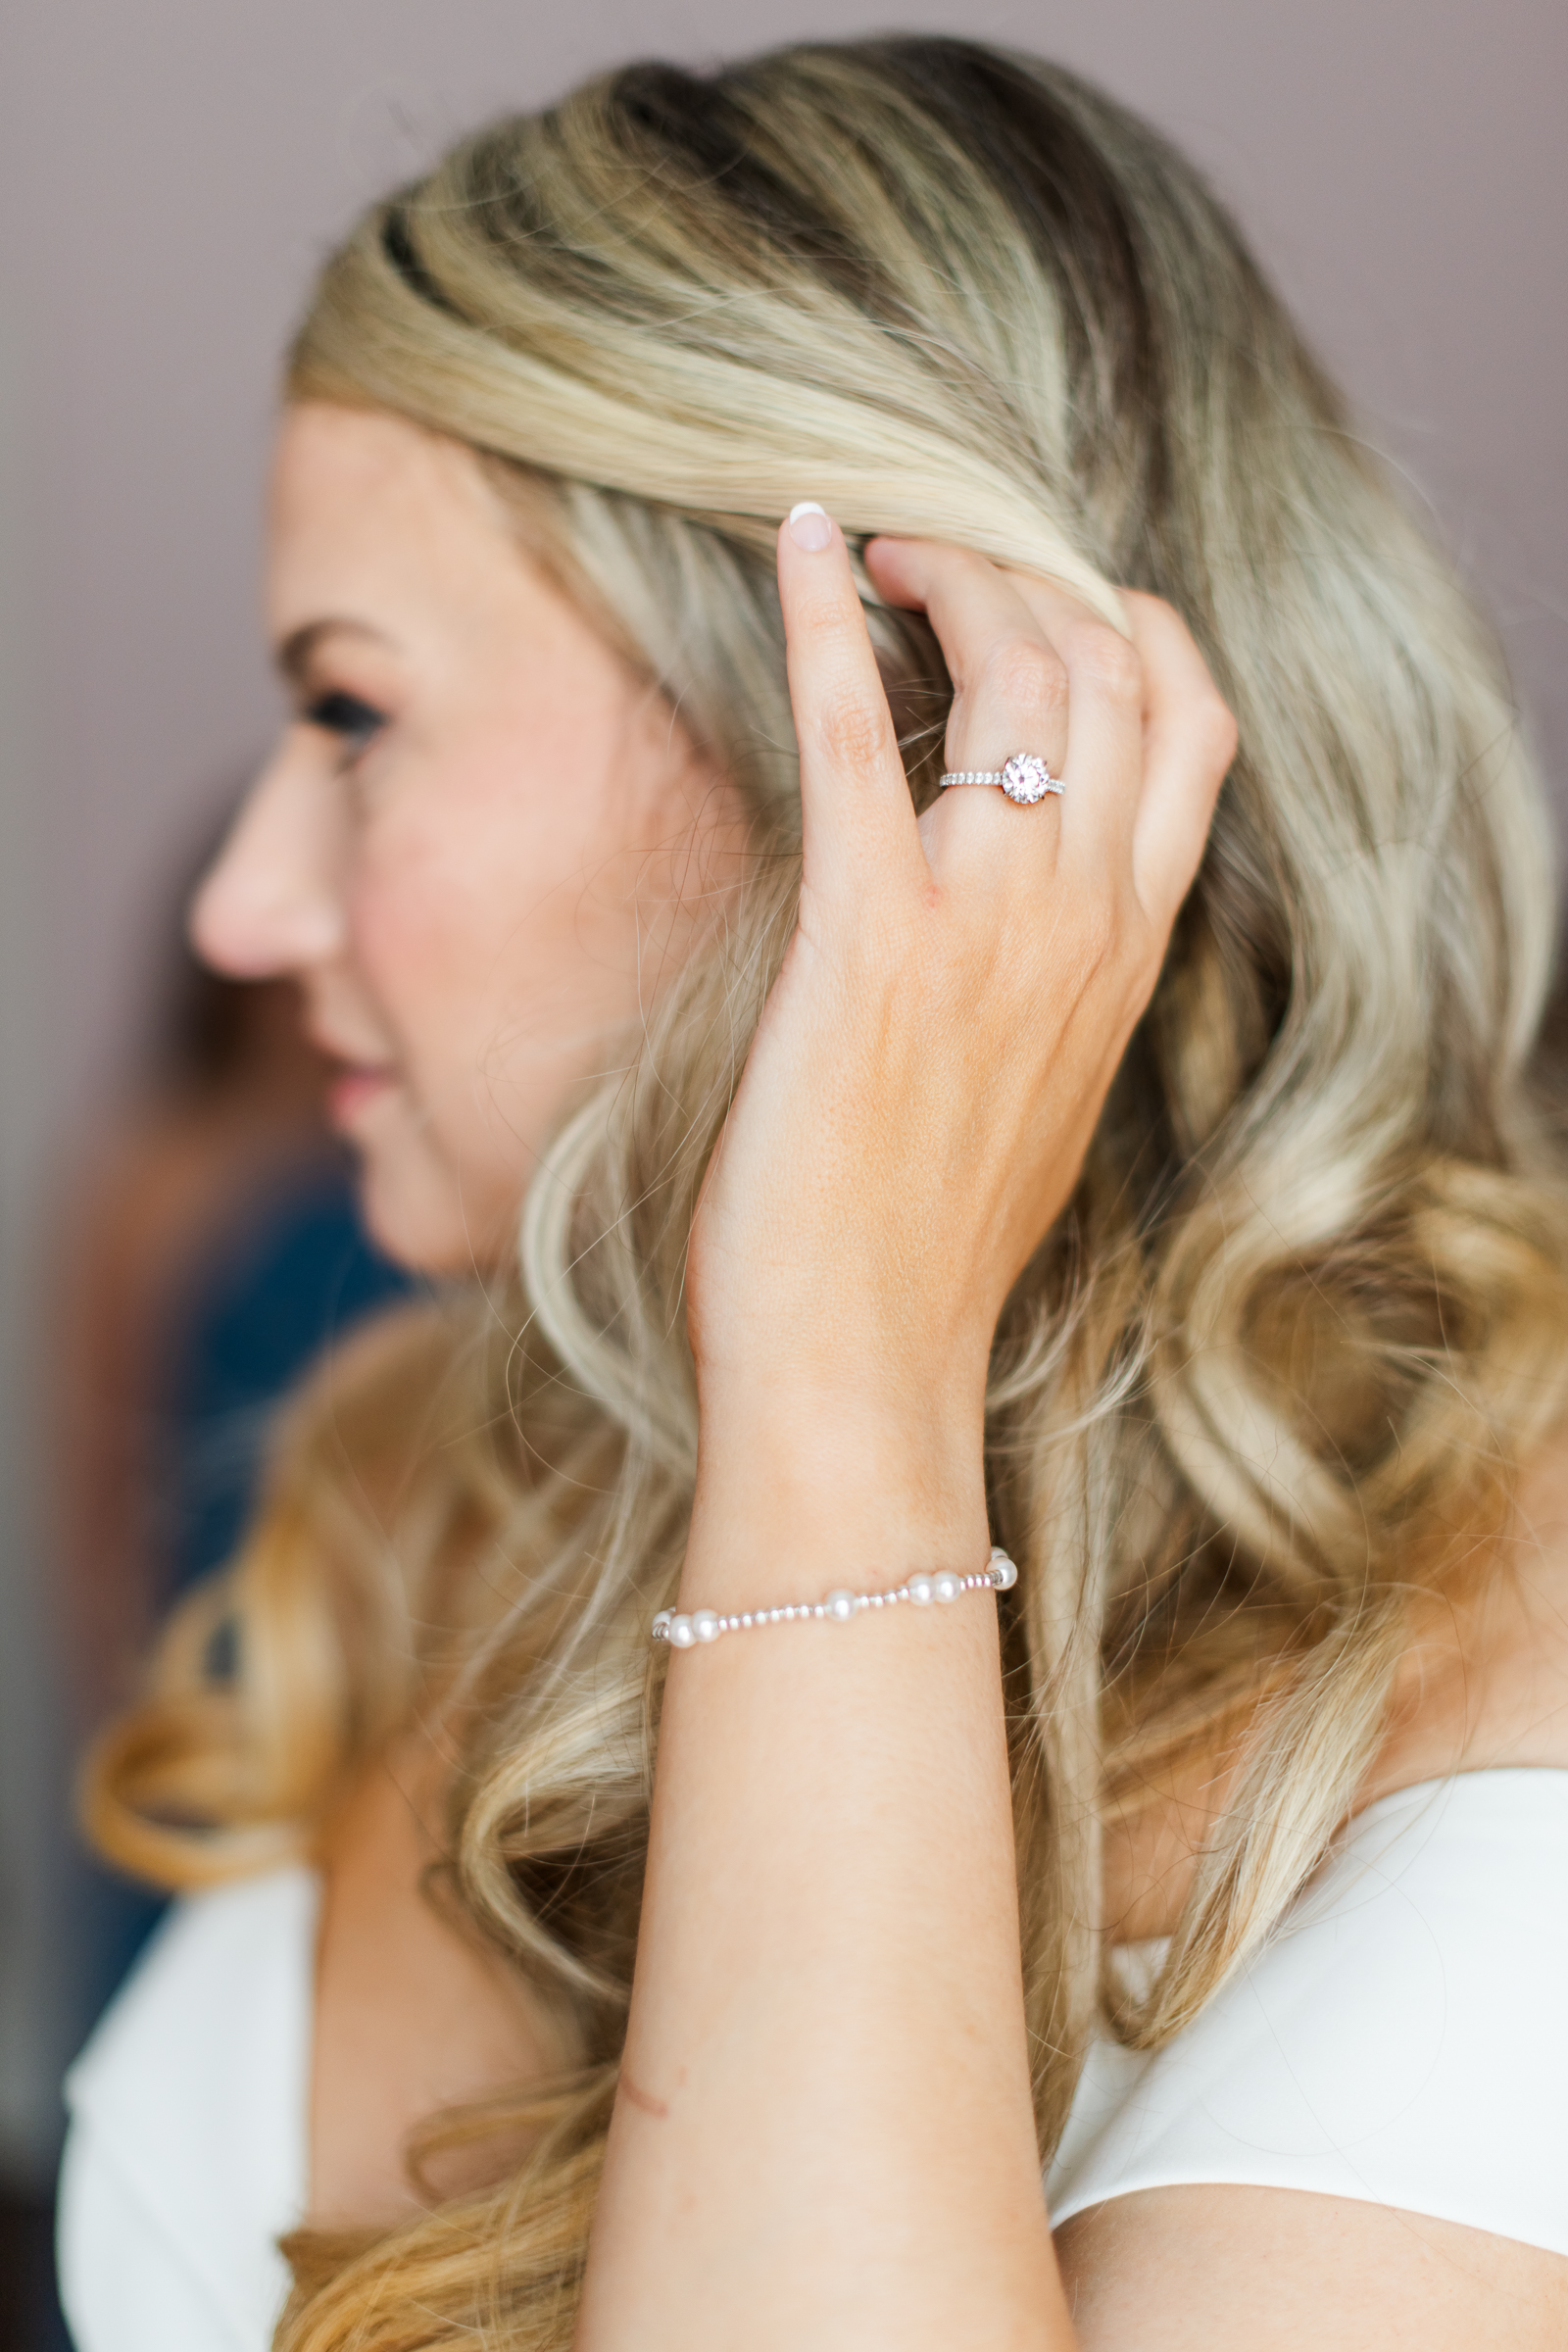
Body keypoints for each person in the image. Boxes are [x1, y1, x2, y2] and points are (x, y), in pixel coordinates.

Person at [57, 36, 1568, 2351]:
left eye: (350, 718)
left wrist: (843, 1373)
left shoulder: (1508, 1654)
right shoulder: (431, 1471)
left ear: (856, 731)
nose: (248, 911)